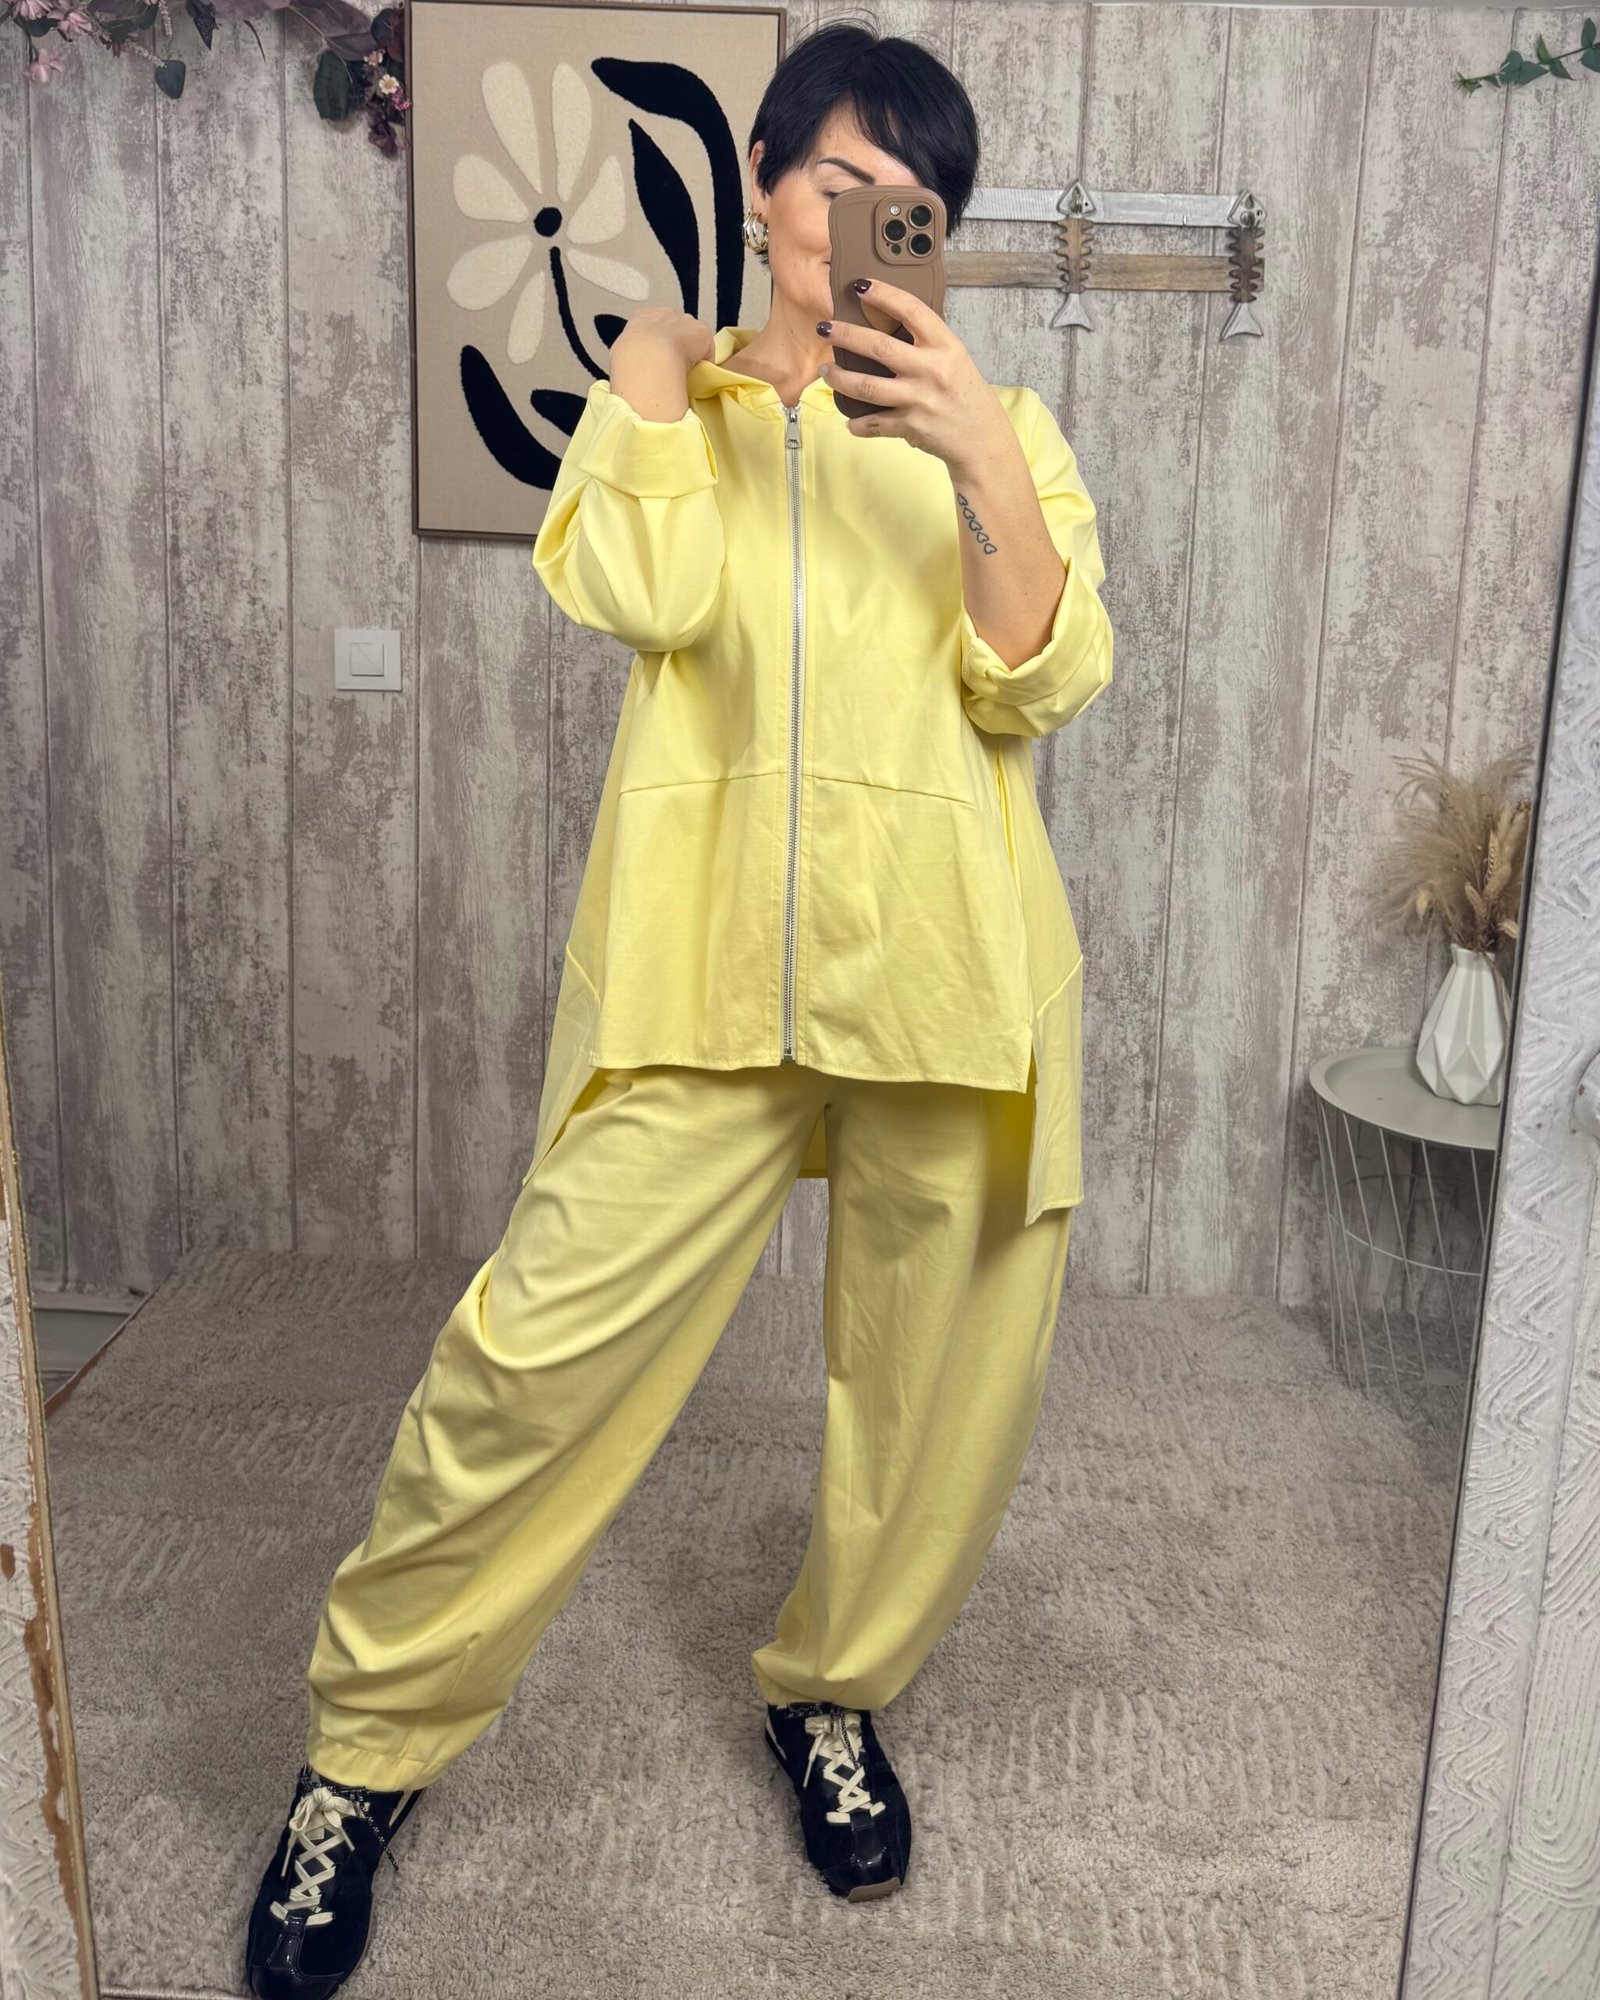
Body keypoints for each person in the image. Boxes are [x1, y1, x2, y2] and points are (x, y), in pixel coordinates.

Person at [244, 19, 1112, 1997]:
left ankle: (832, 1691)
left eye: (919, 208)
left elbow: (1035, 680)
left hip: (947, 983)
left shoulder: (1002, 426)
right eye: (846, 186)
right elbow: (637, 594)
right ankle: (360, 1757)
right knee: (522, 1372)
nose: (879, 227)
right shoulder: (676, 409)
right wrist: (650, 375)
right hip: (703, 979)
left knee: (933, 1401)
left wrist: (974, 451)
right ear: (760, 185)